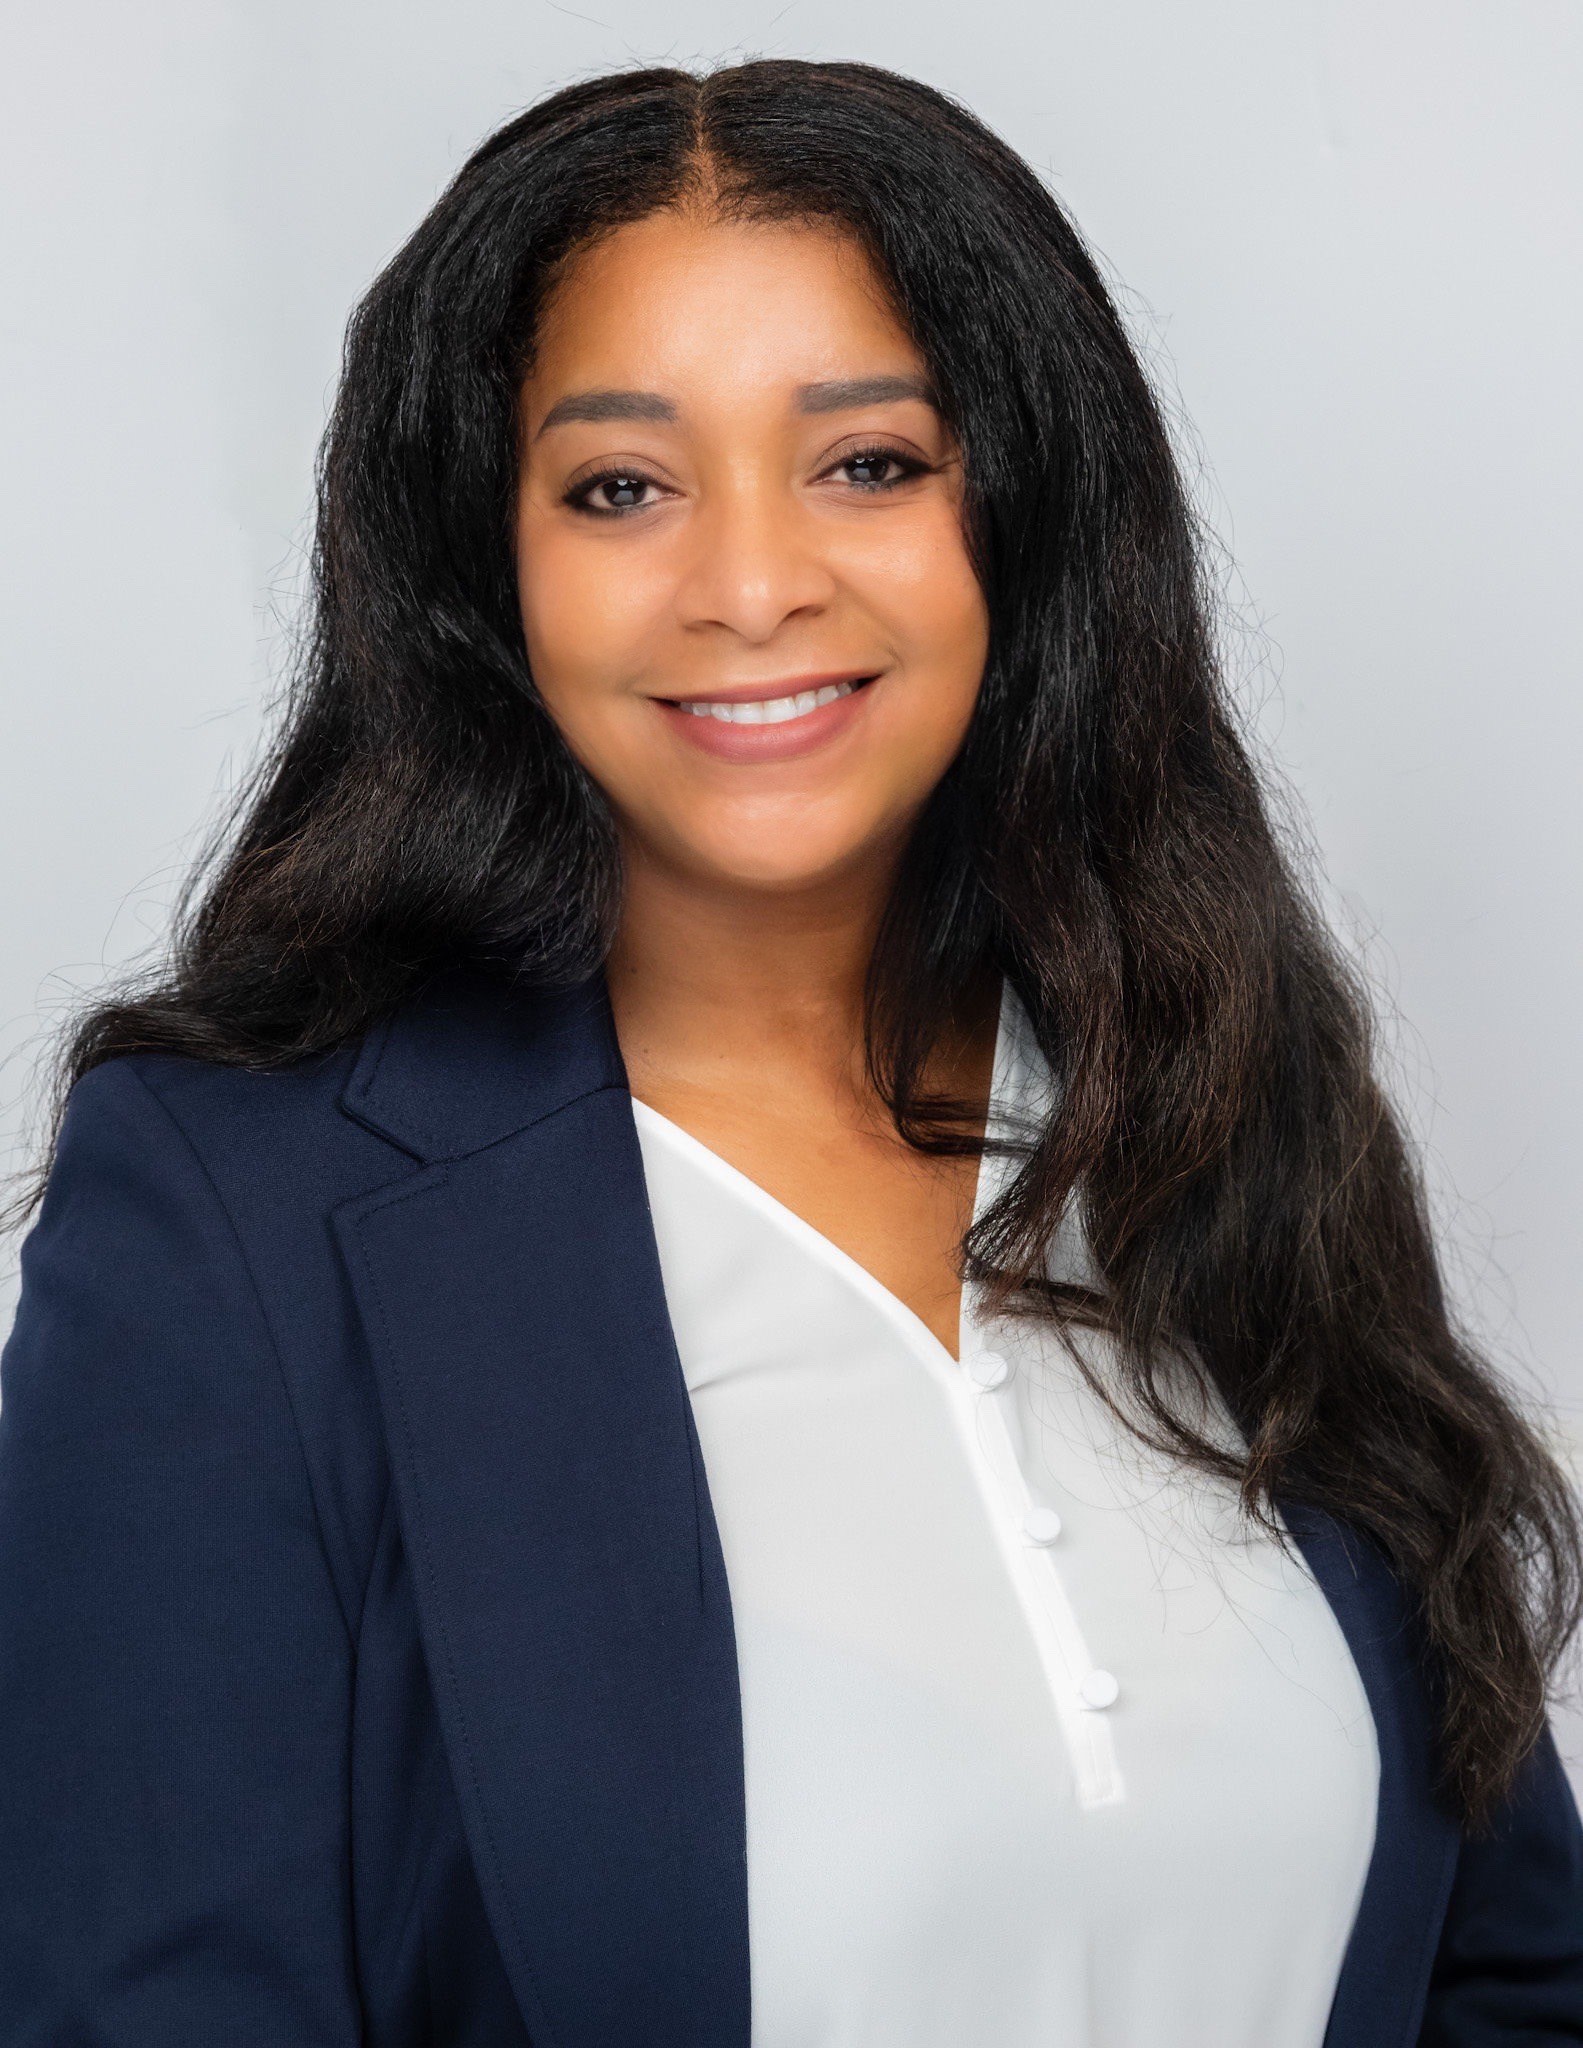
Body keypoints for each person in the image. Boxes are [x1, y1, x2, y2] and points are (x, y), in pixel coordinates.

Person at [0, 56, 1579, 2048]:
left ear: (1020, 518)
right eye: (620, 487)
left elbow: (1507, 1964)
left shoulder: (1210, 1100)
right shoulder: (237, 1219)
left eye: (868, 463)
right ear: (488, 571)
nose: (752, 584)